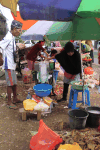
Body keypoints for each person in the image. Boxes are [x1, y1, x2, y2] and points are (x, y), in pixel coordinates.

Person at [0, 20, 25, 109]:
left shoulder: (12, 37)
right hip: (8, 65)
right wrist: (1, 59)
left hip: (13, 64)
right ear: (14, 29)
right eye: (19, 30)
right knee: (10, 84)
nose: (20, 31)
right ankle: (9, 102)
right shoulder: (8, 37)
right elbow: (0, 46)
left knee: (14, 83)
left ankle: (15, 99)